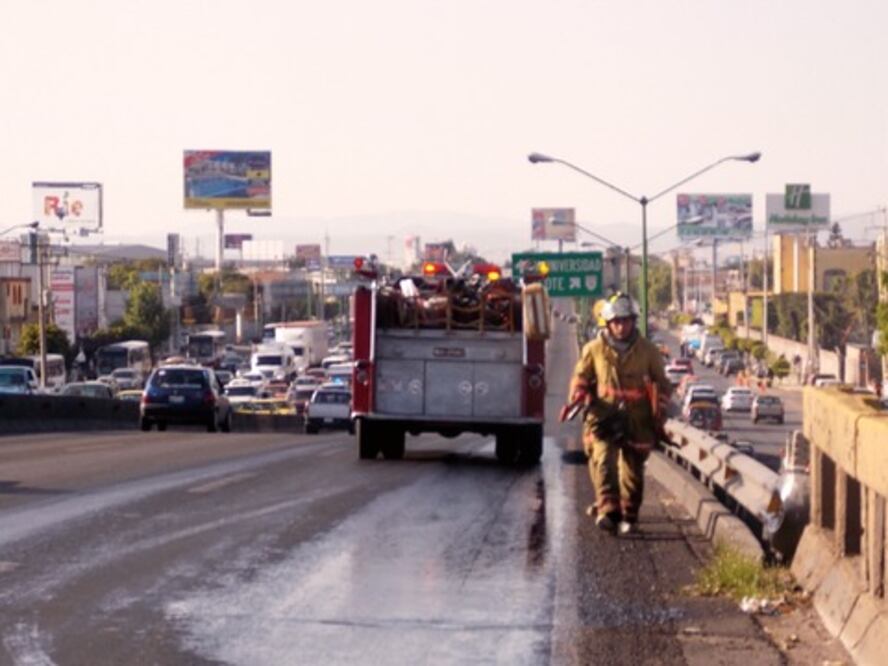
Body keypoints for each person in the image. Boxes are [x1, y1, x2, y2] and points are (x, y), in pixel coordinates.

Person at [567, 293, 672, 535]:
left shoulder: (648, 351)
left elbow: (663, 383)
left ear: (633, 321)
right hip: (604, 416)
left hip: (638, 420)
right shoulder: (594, 349)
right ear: (608, 323)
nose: (621, 326)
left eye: (625, 321)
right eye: (616, 321)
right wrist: (580, 393)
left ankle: (629, 515)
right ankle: (608, 509)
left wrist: (660, 407)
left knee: (632, 471)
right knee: (602, 460)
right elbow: (581, 376)